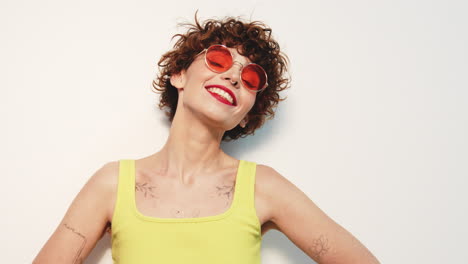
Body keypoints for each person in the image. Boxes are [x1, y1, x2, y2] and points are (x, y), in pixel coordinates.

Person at [33, 14, 380, 264]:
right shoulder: (112, 183)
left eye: (249, 78)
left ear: (246, 112)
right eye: (218, 60)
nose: (232, 76)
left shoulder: (264, 187)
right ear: (179, 75)